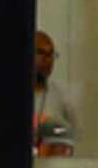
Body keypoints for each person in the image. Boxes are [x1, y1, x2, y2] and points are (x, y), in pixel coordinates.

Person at [33, 29, 79, 157]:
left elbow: (71, 139)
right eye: (41, 53)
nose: (47, 60)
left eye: (51, 55)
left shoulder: (63, 98)